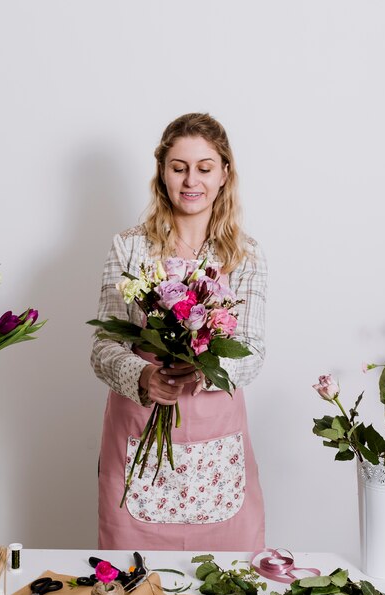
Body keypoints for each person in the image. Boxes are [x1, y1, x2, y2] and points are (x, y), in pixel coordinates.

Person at [91, 112, 267, 551]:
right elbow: (104, 347)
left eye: (205, 168)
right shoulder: (129, 247)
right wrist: (143, 377)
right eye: (179, 167)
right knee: (132, 592)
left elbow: (253, 351)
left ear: (225, 173)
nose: (192, 181)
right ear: (162, 173)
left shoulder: (246, 256)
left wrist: (205, 370)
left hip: (216, 442)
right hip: (141, 426)